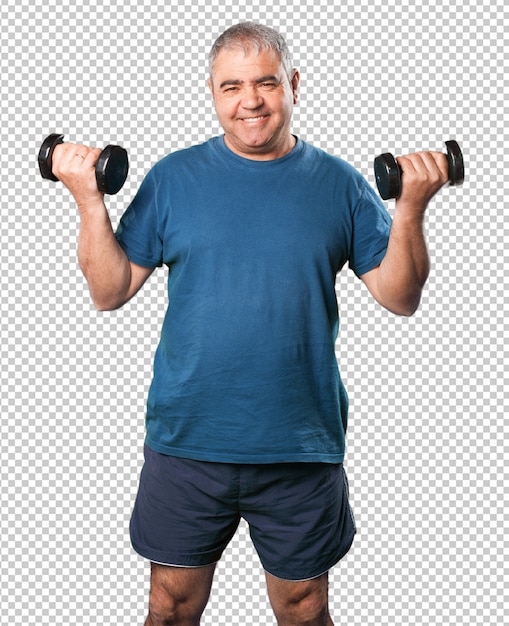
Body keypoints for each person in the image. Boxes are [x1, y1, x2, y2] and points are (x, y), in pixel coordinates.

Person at [51, 22, 449, 626]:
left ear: (293, 83)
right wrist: (86, 199)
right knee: (169, 604)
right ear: (212, 93)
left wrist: (412, 205)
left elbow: (400, 297)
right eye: (231, 86)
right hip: (188, 441)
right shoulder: (172, 179)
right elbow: (109, 292)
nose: (250, 100)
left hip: (299, 444)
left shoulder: (339, 183)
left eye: (265, 82)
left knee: (303, 605)